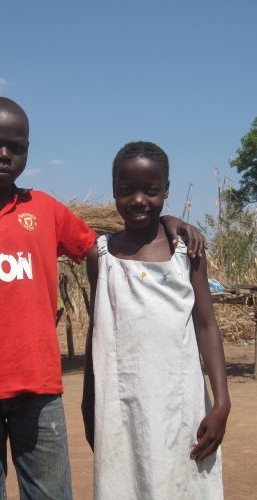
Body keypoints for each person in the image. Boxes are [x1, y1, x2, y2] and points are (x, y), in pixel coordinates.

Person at [0, 99, 206, 500]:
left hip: (40, 389)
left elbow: (108, 246)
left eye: (17, 147)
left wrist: (166, 221)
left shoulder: (44, 209)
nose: (4, 155)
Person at [82, 141, 230, 500]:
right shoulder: (100, 255)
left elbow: (207, 325)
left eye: (151, 190)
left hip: (182, 402)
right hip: (121, 403)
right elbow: (98, 332)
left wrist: (222, 402)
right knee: (129, 482)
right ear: (113, 190)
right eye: (126, 190)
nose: (138, 200)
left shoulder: (187, 253)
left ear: (166, 190)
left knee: (185, 484)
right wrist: (89, 401)